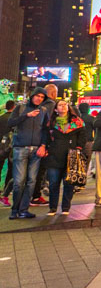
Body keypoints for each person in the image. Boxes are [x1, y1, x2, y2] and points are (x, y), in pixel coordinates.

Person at [8, 89, 50, 219]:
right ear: (32, 96)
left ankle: (24, 209)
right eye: (37, 96)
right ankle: (15, 209)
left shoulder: (43, 111)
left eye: (42, 97)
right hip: (20, 148)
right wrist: (27, 116)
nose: (39, 98)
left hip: (36, 150)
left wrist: (43, 145)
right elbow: (10, 123)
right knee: (19, 181)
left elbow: (45, 130)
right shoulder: (20, 108)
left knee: (32, 181)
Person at [43, 99, 86, 216]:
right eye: (60, 105)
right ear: (56, 109)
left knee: (69, 184)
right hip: (54, 156)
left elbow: (83, 136)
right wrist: (46, 148)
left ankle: (66, 208)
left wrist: (78, 148)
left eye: (65, 104)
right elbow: (46, 137)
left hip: (70, 156)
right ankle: (52, 208)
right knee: (53, 184)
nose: (63, 106)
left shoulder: (77, 122)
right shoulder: (51, 123)